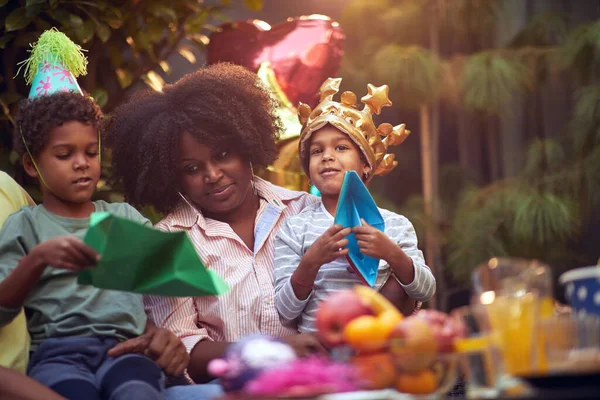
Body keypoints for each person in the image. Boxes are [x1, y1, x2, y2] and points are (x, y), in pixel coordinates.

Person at [105, 62, 326, 384]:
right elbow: (186, 352)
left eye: (223, 155)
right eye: (192, 169)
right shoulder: (165, 245)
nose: (212, 175)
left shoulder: (305, 211)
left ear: (248, 145)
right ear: (170, 177)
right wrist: (274, 349)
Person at [0, 29, 188, 400]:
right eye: (64, 154)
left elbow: (168, 284)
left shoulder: (123, 217)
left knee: (138, 392)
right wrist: (37, 259)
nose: (82, 164)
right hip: (58, 357)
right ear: (31, 165)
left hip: (127, 351)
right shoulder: (24, 225)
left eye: (90, 151)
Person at [273, 78, 436, 333]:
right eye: (316, 151)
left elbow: (425, 290)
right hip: (320, 355)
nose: (327, 156)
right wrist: (310, 262)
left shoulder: (395, 225)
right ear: (308, 171)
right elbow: (284, 312)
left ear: (366, 164)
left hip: (377, 351)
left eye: (340, 147)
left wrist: (391, 253)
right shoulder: (294, 229)